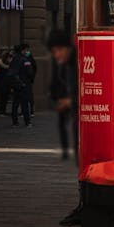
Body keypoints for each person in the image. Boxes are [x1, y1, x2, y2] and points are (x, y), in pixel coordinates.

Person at [47, 30, 78, 160]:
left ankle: (78, 153)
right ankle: (66, 150)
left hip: (72, 101)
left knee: (76, 126)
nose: (56, 55)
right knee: (63, 125)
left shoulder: (78, 61)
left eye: (59, 50)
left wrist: (71, 101)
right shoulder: (61, 63)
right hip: (63, 97)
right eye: (54, 52)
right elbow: (56, 81)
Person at [9, 44, 34, 127]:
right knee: (25, 104)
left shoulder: (13, 60)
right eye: (26, 50)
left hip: (16, 85)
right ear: (23, 50)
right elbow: (30, 72)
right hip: (24, 84)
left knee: (15, 104)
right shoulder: (25, 60)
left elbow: (11, 72)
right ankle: (27, 122)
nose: (27, 52)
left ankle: (15, 122)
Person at [21, 43, 37, 117]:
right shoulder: (28, 57)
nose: (27, 51)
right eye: (26, 49)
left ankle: (30, 112)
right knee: (27, 96)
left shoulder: (27, 57)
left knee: (28, 96)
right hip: (27, 79)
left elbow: (33, 67)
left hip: (26, 79)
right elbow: (34, 67)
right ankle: (29, 112)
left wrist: (31, 77)